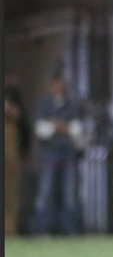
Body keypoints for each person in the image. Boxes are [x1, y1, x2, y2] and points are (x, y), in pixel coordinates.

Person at [28, 74, 85, 236]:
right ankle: (43, 229)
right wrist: (64, 128)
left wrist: (56, 125)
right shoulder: (44, 103)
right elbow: (41, 130)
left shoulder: (72, 104)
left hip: (68, 154)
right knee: (45, 192)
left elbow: (77, 130)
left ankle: (70, 230)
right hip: (49, 154)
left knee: (70, 194)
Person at [5, 75, 32, 236]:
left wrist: (25, 152)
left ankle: (9, 229)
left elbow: (25, 128)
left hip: (11, 156)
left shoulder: (15, 98)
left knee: (10, 192)